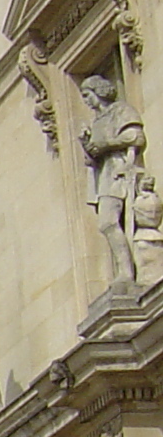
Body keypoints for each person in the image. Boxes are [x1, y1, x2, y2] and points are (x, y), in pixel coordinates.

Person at [81, 73, 146, 288]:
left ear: (98, 91)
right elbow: (92, 156)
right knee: (106, 223)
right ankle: (124, 269)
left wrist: (106, 144)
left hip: (119, 171)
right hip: (104, 176)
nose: (87, 101)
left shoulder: (120, 110)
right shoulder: (97, 121)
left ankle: (127, 272)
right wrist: (88, 148)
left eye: (87, 95)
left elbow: (136, 136)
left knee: (108, 221)